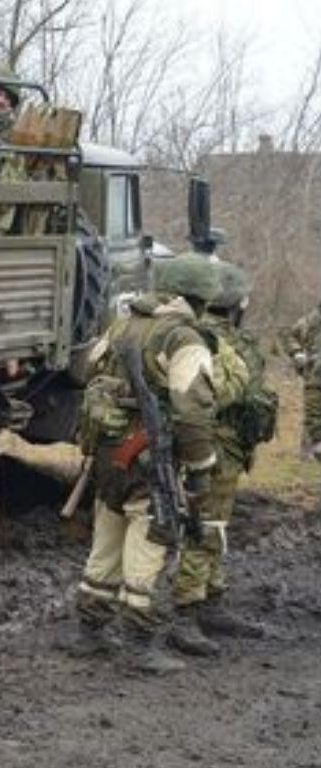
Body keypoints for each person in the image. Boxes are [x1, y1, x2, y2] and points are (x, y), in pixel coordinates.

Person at [63, 253, 220, 674]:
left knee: (107, 534)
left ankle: (88, 631)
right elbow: (193, 410)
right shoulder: (183, 339)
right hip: (152, 456)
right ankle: (139, 644)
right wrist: (202, 466)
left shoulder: (122, 324)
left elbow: (89, 368)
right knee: (151, 539)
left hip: (108, 453)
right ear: (202, 298)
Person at [169, 261, 276, 655]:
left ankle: (210, 598)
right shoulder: (208, 343)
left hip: (228, 452)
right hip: (212, 450)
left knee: (216, 526)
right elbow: (210, 399)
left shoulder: (222, 339)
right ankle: (187, 611)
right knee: (203, 526)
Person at [281, 300, 321, 458]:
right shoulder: (311, 320)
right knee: (313, 411)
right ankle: (308, 450)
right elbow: (289, 336)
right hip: (314, 375)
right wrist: (297, 352)